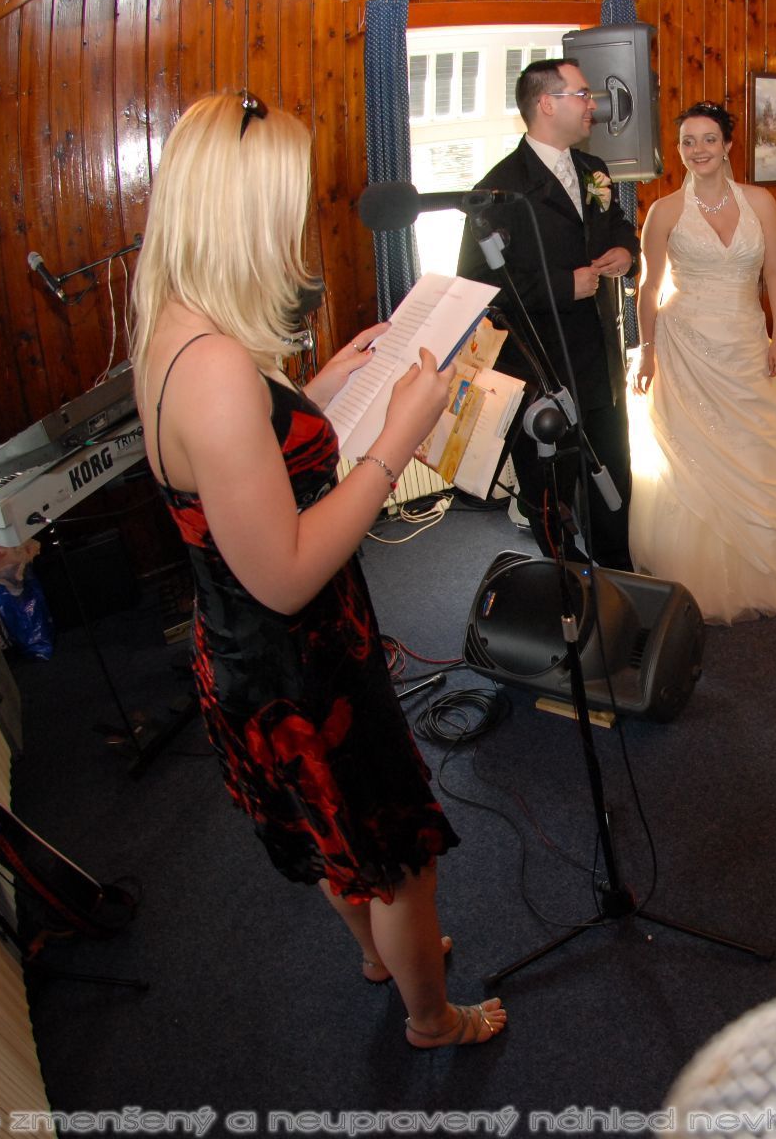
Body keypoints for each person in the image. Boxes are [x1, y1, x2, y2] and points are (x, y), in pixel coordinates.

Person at [129, 92, 503, 1050]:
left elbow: (252, 469)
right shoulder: (216, 368)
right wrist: (396, 439)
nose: (297, 226)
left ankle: (385, 959)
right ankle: (433, 1019)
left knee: (342, 841)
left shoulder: (180, 329)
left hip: (247, 652)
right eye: (287, 205)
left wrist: (320, 389)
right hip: (298, 663)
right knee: (399, 859)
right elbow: (288, 572)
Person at [629, 102, 776, 623]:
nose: (698, 150)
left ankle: (773, 542)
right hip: (685, 344)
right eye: (688, 141)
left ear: (728, 145)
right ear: (679, 150)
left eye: (709, 139)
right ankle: (703, 562)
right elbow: (649, 287)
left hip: (747, 339)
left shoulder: (760, 202)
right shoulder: (664, 212)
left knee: (759, 438)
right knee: (697, 446)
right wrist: (648, 349)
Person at [459, 58, 640, 569]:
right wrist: (564, 286)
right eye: (581, 94)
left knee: (613, 479)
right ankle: (567, 581)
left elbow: (619, 226)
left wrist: (626, 253)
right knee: (550, 491)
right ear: (546, 103)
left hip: (599, 363)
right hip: (541, 371)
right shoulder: (498, 188)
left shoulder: (593, 170)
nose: (592, 105)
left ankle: (618, 576)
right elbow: (478, 285)